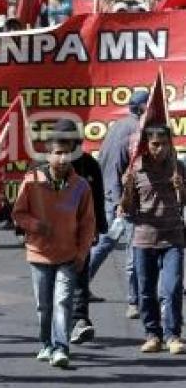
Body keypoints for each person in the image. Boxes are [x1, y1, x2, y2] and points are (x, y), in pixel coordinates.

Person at [13, 129, 96, 369]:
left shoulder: (80, 186)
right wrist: (35, 225)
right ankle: (46, 343)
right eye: (58, 153)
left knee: (62, 302)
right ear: (47, 156)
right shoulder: (32, 182)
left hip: (68, 256)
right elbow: (18, 213)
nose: (63, 159)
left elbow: (88, 223)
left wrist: (81, 253)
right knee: (44, 305)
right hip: (39, 254)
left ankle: (61, 347)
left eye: (67, 154)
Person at [41, 120, 107, 346]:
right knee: (51, 287)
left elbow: (98, 197)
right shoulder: (41, 168)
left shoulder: (89, 165)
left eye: (71, 141)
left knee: (79, 276)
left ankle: (79, 320)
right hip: (49, 238)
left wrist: (99, 227)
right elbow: (28, 202)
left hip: (80, 233)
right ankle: (53, 330)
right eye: (61, 142)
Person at [121, 125, 186, 354]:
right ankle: (152, 334)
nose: (159, 149)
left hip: (173, 238)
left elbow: (184, 202)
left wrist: (182, 188)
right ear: (146, 146)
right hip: (144, 239)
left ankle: (173, 335)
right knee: (146, 290)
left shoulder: (178, 168)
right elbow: (126, 210)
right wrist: (127, 188)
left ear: (170, 144)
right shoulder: (136, 170)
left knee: (172, 288)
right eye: (154, 144)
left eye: (164, 144)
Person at [88, 90, 149, 318]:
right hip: (123, 199)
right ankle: (134, 301)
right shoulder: (135, 130)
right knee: (133, 249)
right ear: (143, 107)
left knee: (106, 242)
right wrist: (119, 201)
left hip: (110, 195)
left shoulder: (118, 125)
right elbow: (118, 166)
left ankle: (81, 286)